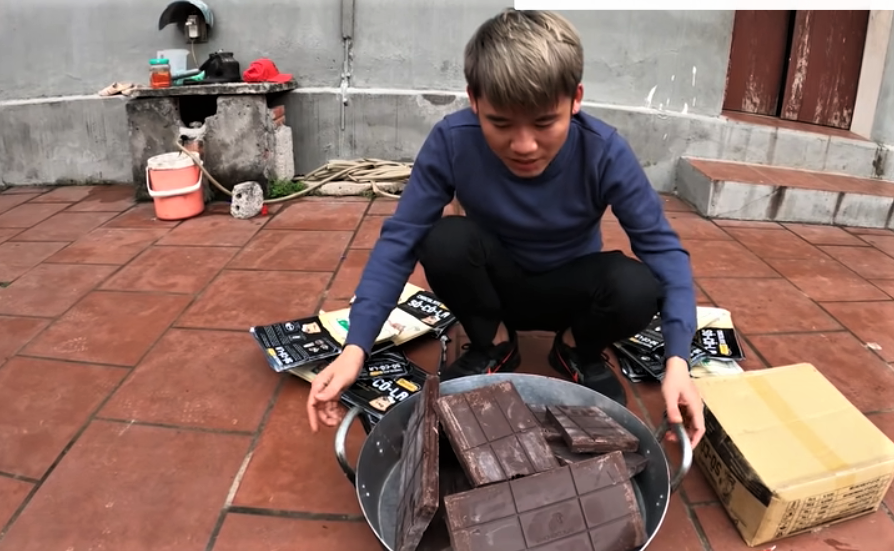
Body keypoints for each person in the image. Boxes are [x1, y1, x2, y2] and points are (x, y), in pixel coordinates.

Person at [307, 8, 705, 448]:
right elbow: (400, 238)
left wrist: (678, 362)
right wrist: (355, 349)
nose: (524, 145)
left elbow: (663, 251)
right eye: (500, 123)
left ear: (575, 100)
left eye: (544, 122)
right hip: (493, 291)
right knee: (443, 240)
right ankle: (493, 344)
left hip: (572, 295)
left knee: (638, 286)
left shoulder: (605, 152)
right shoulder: (452, 140)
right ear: (474, 100)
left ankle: (576, 348)